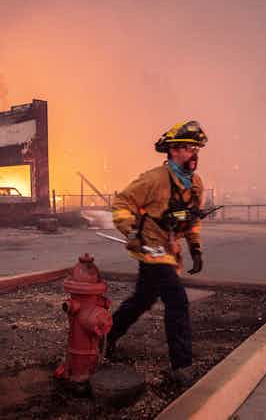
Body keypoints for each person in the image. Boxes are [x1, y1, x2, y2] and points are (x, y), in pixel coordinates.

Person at [106, 120, 207, 383]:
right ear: (172, 151)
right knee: (177, 300)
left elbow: (193, 219)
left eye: (196, 148)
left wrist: (195, 248)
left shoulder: (196, 183)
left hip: (170, 252)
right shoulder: (153, 179)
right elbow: (121, 203)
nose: (193, 153)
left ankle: (106, 337)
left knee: (142, 299)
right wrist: (131, 233)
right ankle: (181, 367)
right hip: (151, 249)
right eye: (186, 148)